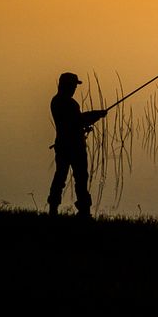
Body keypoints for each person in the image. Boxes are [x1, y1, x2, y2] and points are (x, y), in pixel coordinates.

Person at [47, 72, 106, 218]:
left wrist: (93, 116)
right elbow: (79, 121)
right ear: (66, 85)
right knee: (81, 178)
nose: (75, 89)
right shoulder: (70, 104)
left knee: (60, 177)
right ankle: (84, 211)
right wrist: (96, 115)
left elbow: (75, 121)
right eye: (73, 86)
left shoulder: (55, 101)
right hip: (75, 147)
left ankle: (53, 208)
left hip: (61, 145)